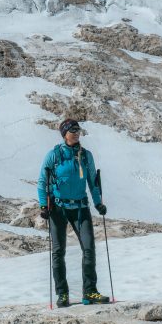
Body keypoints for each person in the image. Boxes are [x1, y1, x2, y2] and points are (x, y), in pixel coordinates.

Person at [38, 118, 109, 308]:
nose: (77, 133)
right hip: (58, 208)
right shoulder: (54, 155)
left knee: (89, 249)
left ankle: (90, 292)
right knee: (58, 252)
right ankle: (62, 294)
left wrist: (98, 203)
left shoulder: (86, 156)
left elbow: (93, 182)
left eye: (78, 130)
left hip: (80, 207)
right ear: (64, 134)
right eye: (73, 130)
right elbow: (41, 182)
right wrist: (44, 206)